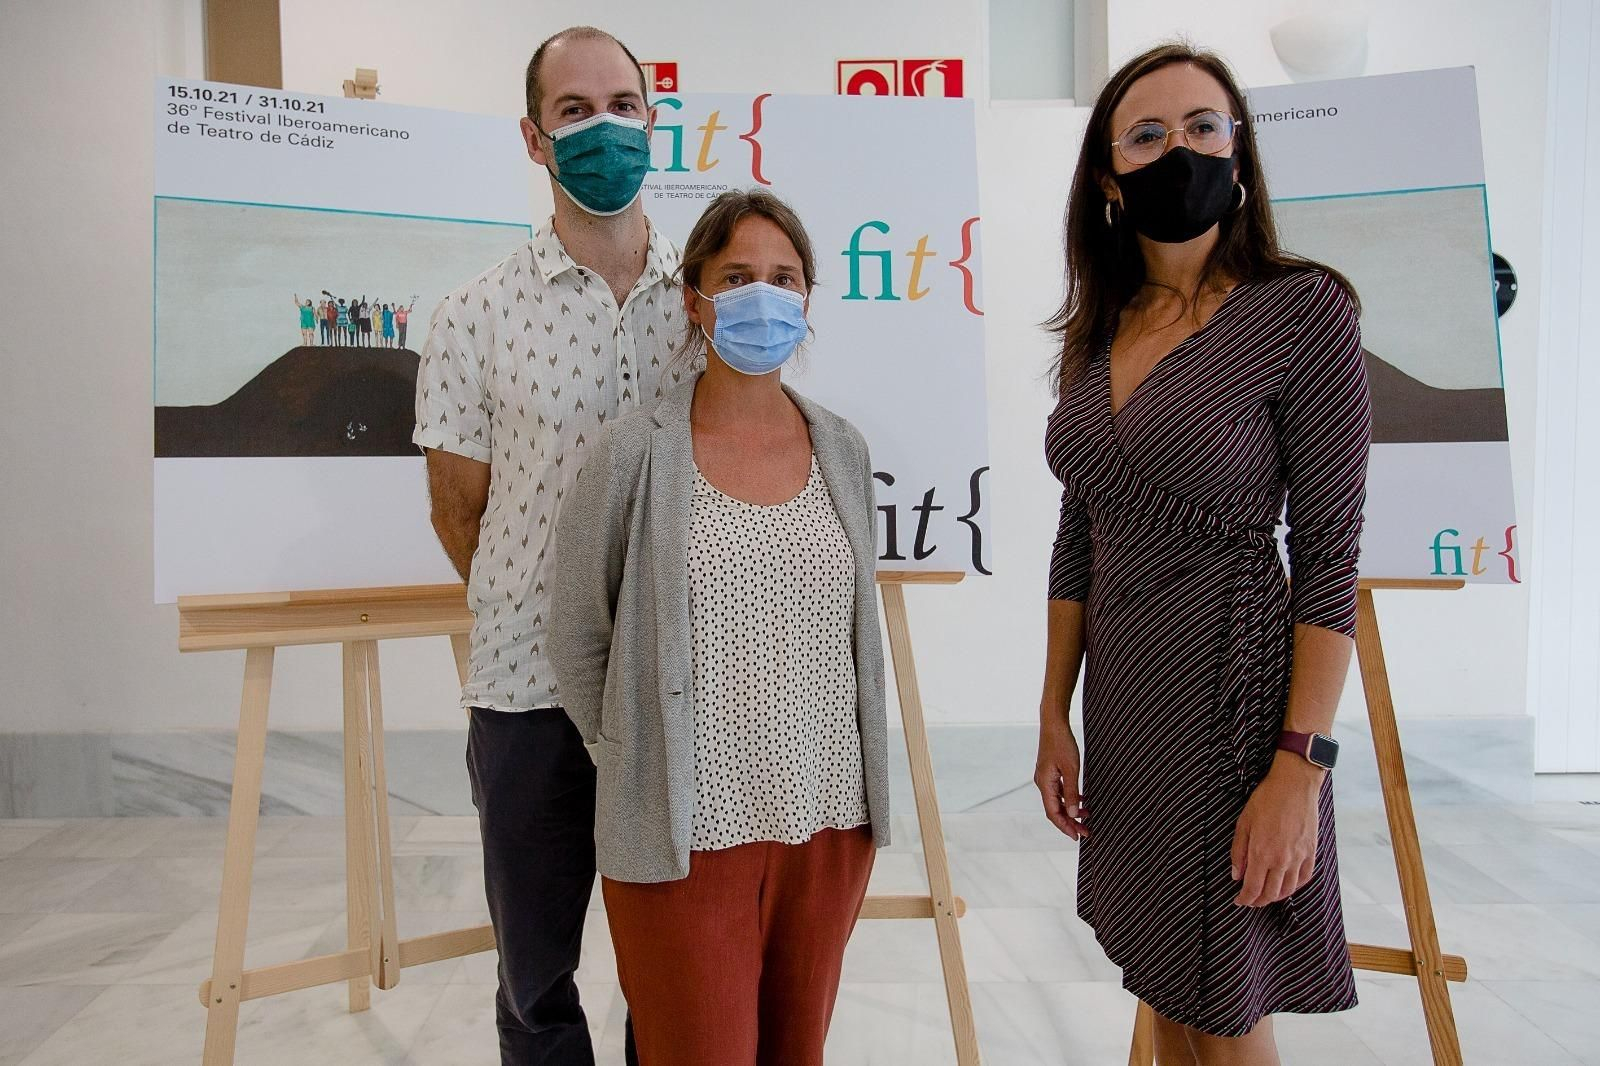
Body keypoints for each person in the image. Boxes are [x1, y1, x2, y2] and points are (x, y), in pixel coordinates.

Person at [1033, 43, 1370, 1066]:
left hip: (1233, 696)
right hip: (1129, 702)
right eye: (1147, 133)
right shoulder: (1102, 326)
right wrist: (1054, 709)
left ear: (1239, 151)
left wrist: (1295, 771)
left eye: (1202, 127)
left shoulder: (1301, 312)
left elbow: (1327, 557)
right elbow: (1079, 529)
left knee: (1222, 1010)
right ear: (1108, 173)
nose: (1177, 149)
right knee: (1164, 983)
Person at [550, 188, 889, 1066]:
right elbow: (579, 635)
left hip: (826, 822)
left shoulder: (843, 449)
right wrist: (634, 752)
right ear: (695, 298)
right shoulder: (636, 450)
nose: (763, 297)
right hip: (684, 834)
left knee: (796, 1054)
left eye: (783, 278)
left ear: (809, 297)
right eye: (738, 276)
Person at [413, 24, 677, 1066]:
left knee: (673, 960)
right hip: (527, 687)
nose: (602, 128)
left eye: (622, 105)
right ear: (535, 138)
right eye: (575, 112)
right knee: (534, 972)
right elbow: (457, 513)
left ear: (653, 122)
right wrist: (545, 601)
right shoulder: (475, 315)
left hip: (671, 683)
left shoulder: (709, 304)